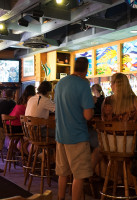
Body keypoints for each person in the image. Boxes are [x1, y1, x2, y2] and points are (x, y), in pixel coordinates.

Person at [54, 57, 94, 200]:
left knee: (63, 173)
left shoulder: (60, 83)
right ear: (86, 69)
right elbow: (88, 115)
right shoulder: (83, 85)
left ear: (74, 67)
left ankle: (60, 198)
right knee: (79, 175)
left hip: (61, 136)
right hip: (77, 136)